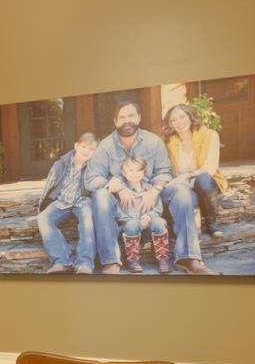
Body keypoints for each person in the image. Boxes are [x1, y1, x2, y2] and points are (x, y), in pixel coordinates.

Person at [84, 99, 213, 274]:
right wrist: (118, 187)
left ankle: (188, 258)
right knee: (100, 195)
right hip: (123, 204)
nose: (127, 120)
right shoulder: (106, 146)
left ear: (139, 118)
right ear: (115, 121)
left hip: (152, 195)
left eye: (131, 115)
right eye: (122, 117)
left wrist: (154, 190)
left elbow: (165, 172)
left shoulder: (153, 141)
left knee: (182, 192)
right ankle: (110, 260)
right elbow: (91, 178)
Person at [34, 132, 99, 273]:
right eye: (84, 146)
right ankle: (62, 261)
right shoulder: (60, 164)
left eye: (92, 149)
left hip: (82, 200)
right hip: (61, 201)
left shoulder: (95, 166)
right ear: (76, 146)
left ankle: (85, 263)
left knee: (87, 216)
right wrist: (41, 209)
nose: (87, 151)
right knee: (43, 218)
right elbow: (48, 187)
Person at [164, 102, 226, 239]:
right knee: (184, 199)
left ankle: (212, 223)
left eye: (182, 117)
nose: (179, 122)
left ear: (190, 116)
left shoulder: (209, 135)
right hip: (181, 184)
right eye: (173, 120)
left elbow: (210, 167)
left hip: (204, 180)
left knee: (203, 180)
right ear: (170, 124)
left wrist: (187, 175)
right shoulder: (169, 141)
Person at [114, 158, 171, 273]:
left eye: (138, 170)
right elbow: (118, 214)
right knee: (131, 224)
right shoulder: (121, 192)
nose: (135, 173)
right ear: (124, 173)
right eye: (131, 170)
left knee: (159, 222)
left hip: (149, 228)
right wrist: (138, 222)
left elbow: (158, 209)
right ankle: (132, 259)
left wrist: (149, 217)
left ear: (144, 172)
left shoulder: (150, 189)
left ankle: (162, 258)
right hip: (129, 231)